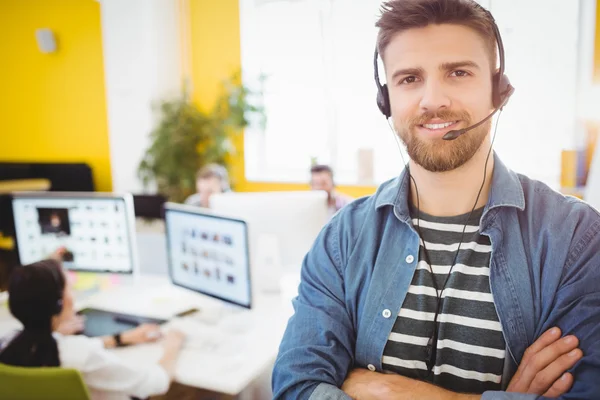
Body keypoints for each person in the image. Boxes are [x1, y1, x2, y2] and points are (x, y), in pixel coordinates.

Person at [273, 1, 600, 399]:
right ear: (386, 100)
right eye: (409, 78)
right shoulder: (342, 240)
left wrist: (383, 389)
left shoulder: (575, 238)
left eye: (458, 72)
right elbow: (296, 387)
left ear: (498, 90)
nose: (433, 100)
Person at [0, 259, 185, 400]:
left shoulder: (7, 344)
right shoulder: (82, 355)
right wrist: (172, 346)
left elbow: (71, 351)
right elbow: (155, 383)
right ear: (60, 304)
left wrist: (120, 338)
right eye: (69, 289)